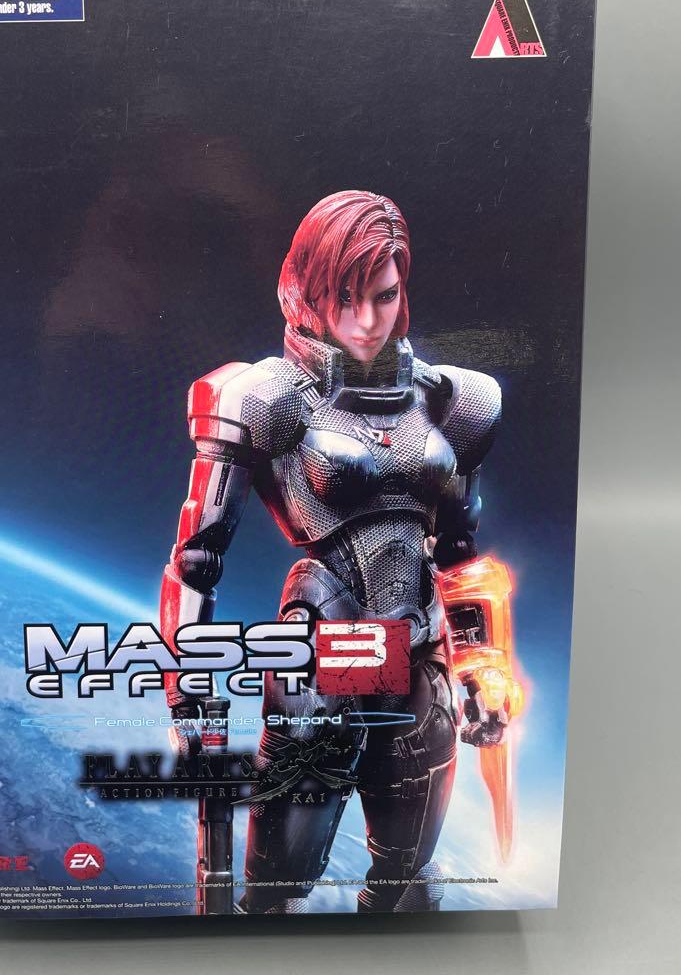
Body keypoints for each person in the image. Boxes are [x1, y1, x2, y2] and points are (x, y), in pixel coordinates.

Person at [159, 190, 511, 913]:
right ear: (306, 292)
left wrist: (480, 664)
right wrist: (189, 697)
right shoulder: (269, 397)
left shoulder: (452, 401)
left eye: (384, 295)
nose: (366, 320)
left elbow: (458, 551)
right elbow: (196, 559)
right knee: (276, 890)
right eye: (345, 297)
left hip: (419, 654)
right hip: (327, 651)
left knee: (406, 883)